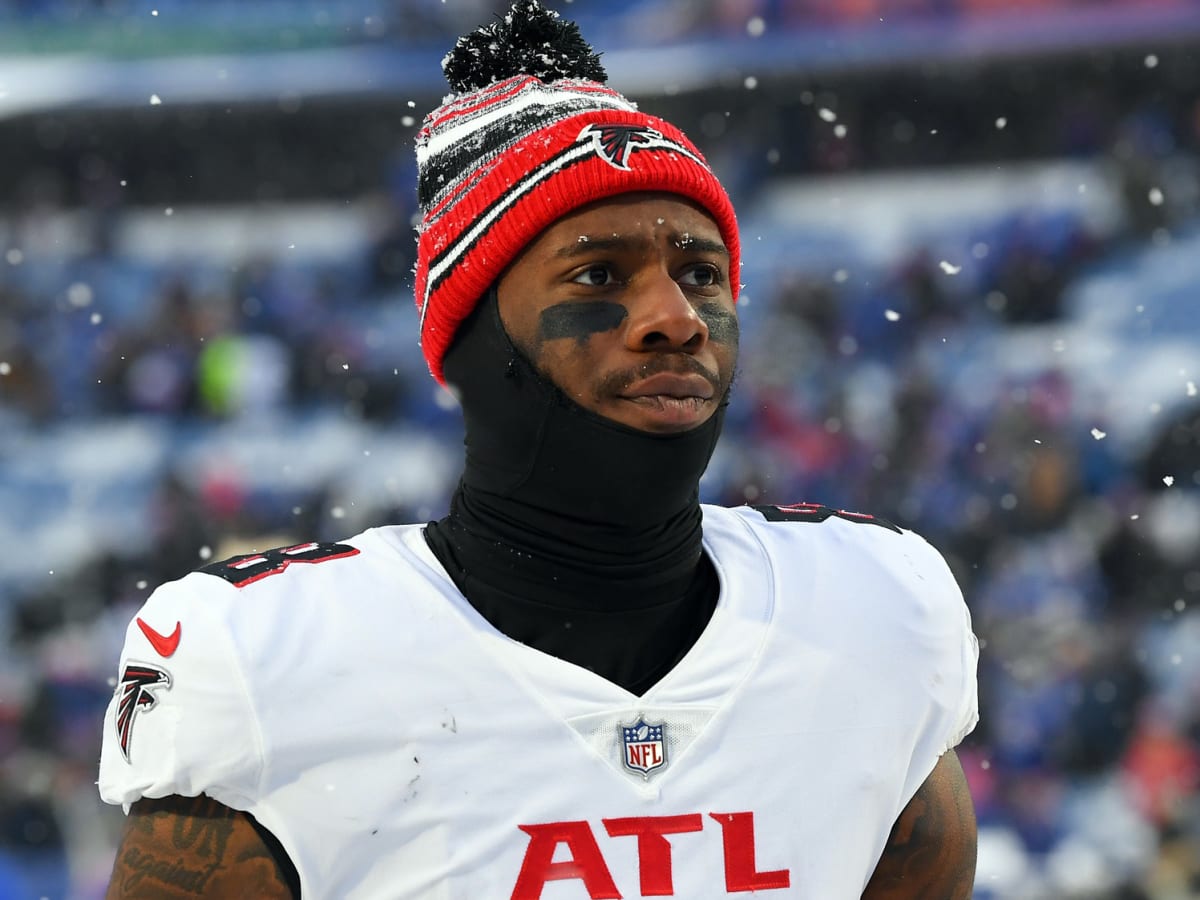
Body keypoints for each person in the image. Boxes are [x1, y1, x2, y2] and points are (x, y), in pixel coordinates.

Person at [97, 1, 980, 896]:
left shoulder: (875, 612)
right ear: (471, 333)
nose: (677, 319)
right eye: (599, 274)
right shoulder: (265, 660)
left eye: (702, 273)